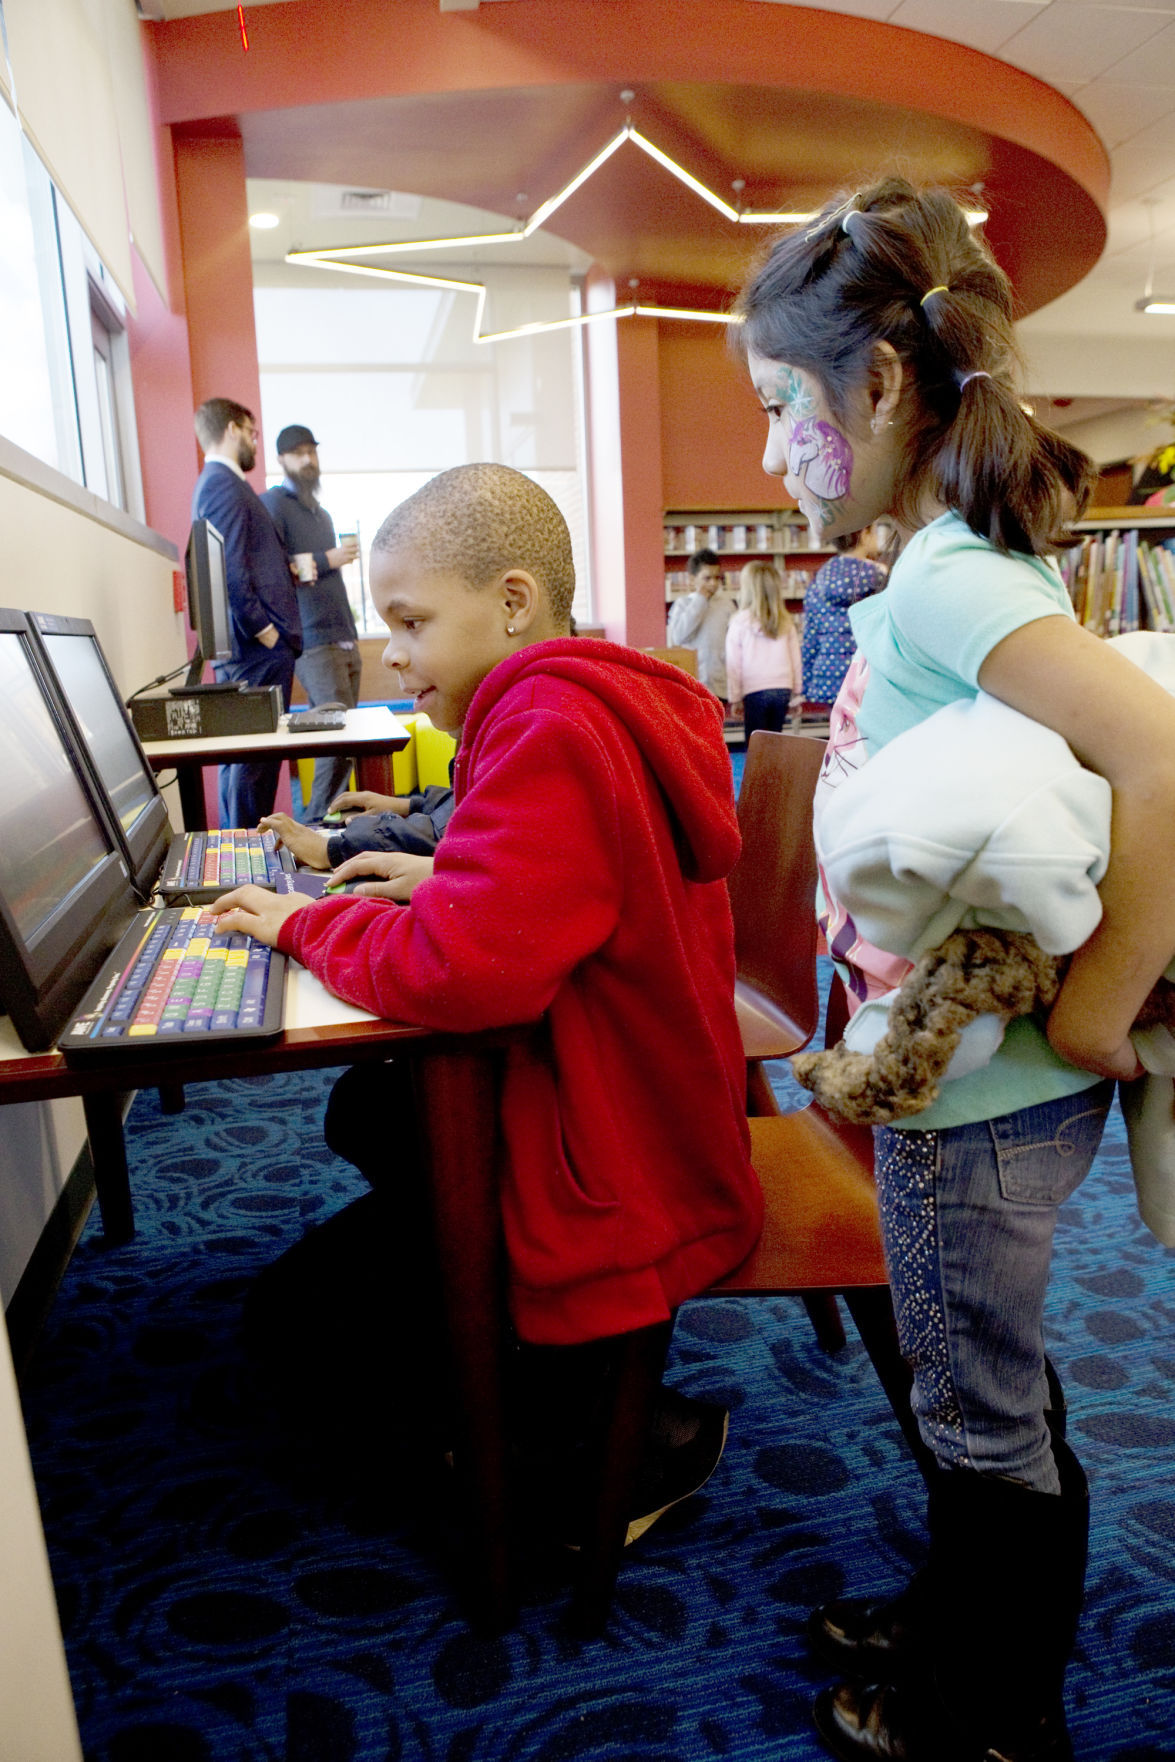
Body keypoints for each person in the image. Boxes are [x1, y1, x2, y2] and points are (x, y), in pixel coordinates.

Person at [735, 178, 1175, 1762]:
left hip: (983, 1094)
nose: (767, 452)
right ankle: (957, 1620)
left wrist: (1099, 1001)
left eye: (777, 405)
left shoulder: (941, 575)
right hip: (964, 1070)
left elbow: (1158, 759)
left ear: (873, 384)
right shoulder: (940, 561)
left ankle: (990, 1713)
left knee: (977, 1406)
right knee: (972, 1377)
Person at [209, 461, 763, 1538]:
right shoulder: (585, 700)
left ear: (511, 602)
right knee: (372, 1111)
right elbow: (576, 886)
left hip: (612, 1145)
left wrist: (300, 924)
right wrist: (443, 876)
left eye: (411, 622)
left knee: (293, 1324)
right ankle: (535, 1379)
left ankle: (593, 1451)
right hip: (645, 1100)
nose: (394, 652)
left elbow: (458, 970)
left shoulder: (545, 724)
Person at [191, 398, 302, 827]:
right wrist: (263, 629)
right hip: (257, 651)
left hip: (258, 650)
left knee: (248, 766)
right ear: (233, 429)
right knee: (252, 768)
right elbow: (229, 568)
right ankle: (247, 857)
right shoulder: (222, 484)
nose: (255, 442)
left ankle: (245, 852)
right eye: (252, 433)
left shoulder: (221, 483)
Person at [260, 425, 362, 820]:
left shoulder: (321, 513)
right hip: (312, 637)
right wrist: (327, 559)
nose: (307, 459)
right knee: (336, 739)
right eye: (298, 452)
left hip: (343, 633)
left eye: (312, 452)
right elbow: (276, 569)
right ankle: (316, 824)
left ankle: (328, 822)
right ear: (281, 459)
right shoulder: (273, 505)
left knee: (346, 741)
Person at [800, 526, 888, 707]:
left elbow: (810, 639)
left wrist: (807, 684)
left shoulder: (817, 583)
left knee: (837, 724)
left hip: (829, 678)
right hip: (871, 676)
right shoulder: (881, 579)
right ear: (864, 534)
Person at [724, 559, 803, 738]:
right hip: (783, 688)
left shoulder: (739, 623)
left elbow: (734, 664)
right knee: (774, 740)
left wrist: (735, 697)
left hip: (754, 689)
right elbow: (796, 660)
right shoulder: (786, 622)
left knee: (756, 742)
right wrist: (797, 692)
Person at [666, 547, 733, 700]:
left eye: (717, 578)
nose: (713, 583)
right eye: (707, 578)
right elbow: (678, 637)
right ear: (692, 579)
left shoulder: (727, 605)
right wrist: (700, 601)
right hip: (693, 683)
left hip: (720, 683)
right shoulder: (682, 604)